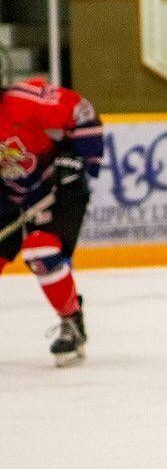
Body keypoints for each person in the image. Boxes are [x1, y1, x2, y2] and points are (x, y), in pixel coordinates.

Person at [0, 79, 103, 367]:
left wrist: (79, 159)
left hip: (56, 189)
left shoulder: (24, 100)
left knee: (40, 250)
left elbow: (80, 111)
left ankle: (71, 321)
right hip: (8, 196)